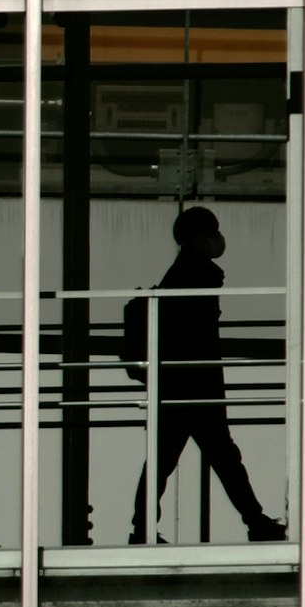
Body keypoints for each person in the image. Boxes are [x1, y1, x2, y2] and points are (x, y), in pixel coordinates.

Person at [121, 204, 288, 544]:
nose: (218, 239)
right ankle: (255, 522)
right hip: (194, 385)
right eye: (212, 233)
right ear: (197, 238)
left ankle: (143, 529)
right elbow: (195, 336)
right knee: (218, 458)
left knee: (168, 461)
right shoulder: (196, 274)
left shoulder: (182, 273)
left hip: (178, 383)